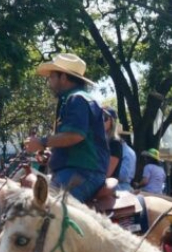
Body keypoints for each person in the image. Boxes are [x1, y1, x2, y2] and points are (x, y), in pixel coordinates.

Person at [25, 53, 109, 203]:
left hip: (82, 172)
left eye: (51, 77)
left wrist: (41, 142)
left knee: (48, 209)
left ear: (63, 77)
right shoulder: (73, 99)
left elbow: (75, 135)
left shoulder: (76, 98)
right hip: (78, 170)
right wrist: (53, 154)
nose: (49, 81)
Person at [101, 107, 123, 180]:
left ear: (112, 121)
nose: (100, 120)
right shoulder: (98, 141)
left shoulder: (115, 143)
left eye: (104, 118)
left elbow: (108, 173)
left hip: (106, 186)